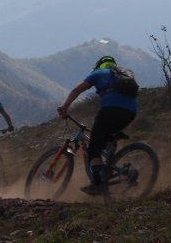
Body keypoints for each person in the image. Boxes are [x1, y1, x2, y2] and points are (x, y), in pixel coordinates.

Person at [57, 56, 137, 195]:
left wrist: (64, 108)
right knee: (106, 139)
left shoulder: (98, 73)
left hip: (110, 109)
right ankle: (111, 172)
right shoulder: (121, 75)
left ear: (99, 66)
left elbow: (77, 90)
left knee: (93, 147)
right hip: (130, 112)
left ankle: (97, 183)